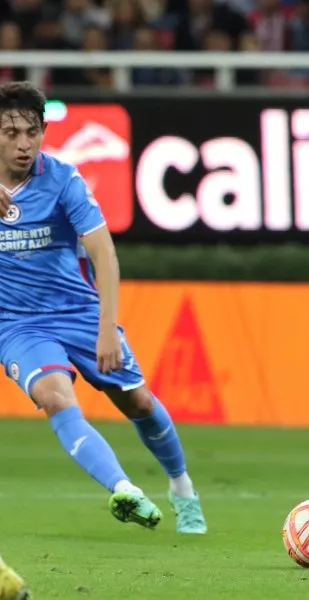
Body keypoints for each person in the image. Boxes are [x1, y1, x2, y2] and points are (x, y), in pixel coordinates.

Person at [0, 82, 207, 534]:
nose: (23, 144)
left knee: (137, 401)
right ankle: (124, 488)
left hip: (79, 311)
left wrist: (107, 327)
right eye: (11, 132)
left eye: (32, 132)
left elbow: (103, 254)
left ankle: (182, 488)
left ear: (43, 131)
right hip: (16, 324)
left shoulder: (62, 180)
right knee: (55, 396)